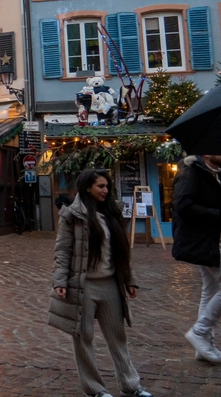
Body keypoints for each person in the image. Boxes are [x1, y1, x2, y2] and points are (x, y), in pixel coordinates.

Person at [49, 169, 151, 397]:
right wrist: (60, 280)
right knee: (83, 337)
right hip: (83, 285)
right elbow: (63, 251)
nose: (105, 190)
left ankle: (131, 385)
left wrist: (129, 280)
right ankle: (95, 389)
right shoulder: (72, 215)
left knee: (117, 336)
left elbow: (122, 252)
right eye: (101, 186)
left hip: (110, 284)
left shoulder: (112, 212)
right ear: (87, 188)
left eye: (107, 186)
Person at [172, 154, 221, 365]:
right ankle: (199, 332)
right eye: (219, 150)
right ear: (207, 153)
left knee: (209, 290)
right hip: (202, 241)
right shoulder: (191, 173)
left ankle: (204, 346)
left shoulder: (218, 176)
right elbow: (184, 206)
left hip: (215, 239)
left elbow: (214, 207)